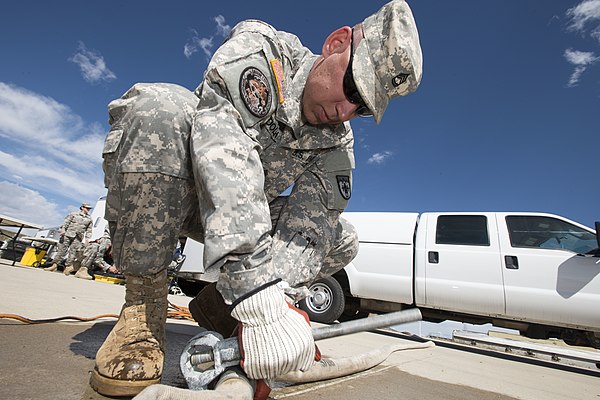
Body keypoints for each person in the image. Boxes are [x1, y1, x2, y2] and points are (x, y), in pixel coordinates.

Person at [91, 0, 422, 397]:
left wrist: (276, 312)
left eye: (362, 107)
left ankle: (221, 310)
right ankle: (143, 313)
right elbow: (226, 150)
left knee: (340, 236)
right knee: (158, 107)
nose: (345, 110)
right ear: (336, 43)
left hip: (236, 220)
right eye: (352, 87)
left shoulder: (337, 141)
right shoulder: (264, 51)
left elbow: (313, 223)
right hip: (176, 184)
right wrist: (256, 296)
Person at [44, 202, 93, 274]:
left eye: (89, 208)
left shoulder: (89, 219)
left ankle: (67, 268)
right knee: (61, 250)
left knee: (72, 253)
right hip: (67, 234)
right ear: (82, 207)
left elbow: (89, 229)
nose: (88, 209)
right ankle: (54, 265)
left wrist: (87, 238)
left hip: (78, 237)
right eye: (87, 208)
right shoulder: (73, 214)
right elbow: (66, 222)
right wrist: (63, 230)